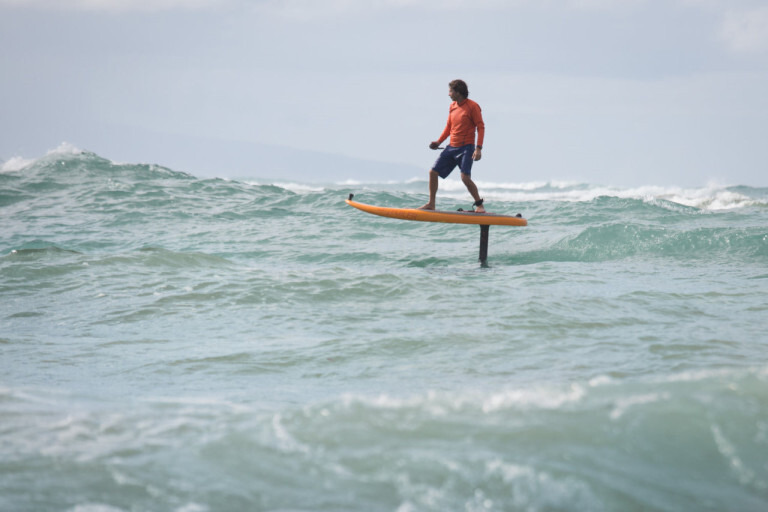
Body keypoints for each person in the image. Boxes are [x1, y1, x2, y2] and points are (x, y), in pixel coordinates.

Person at [419, 79, 486, 213]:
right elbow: (449, 127)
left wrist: (478, 148)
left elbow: (481, 127)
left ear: (458, 92)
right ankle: (431, 203)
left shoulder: (473, 106)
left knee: (465, 178)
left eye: (450, 91)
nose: (449, 94)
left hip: (466, 147)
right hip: (451, 147)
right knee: (433, 172)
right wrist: (439, 142)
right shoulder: (452, 106)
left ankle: (480, 205)